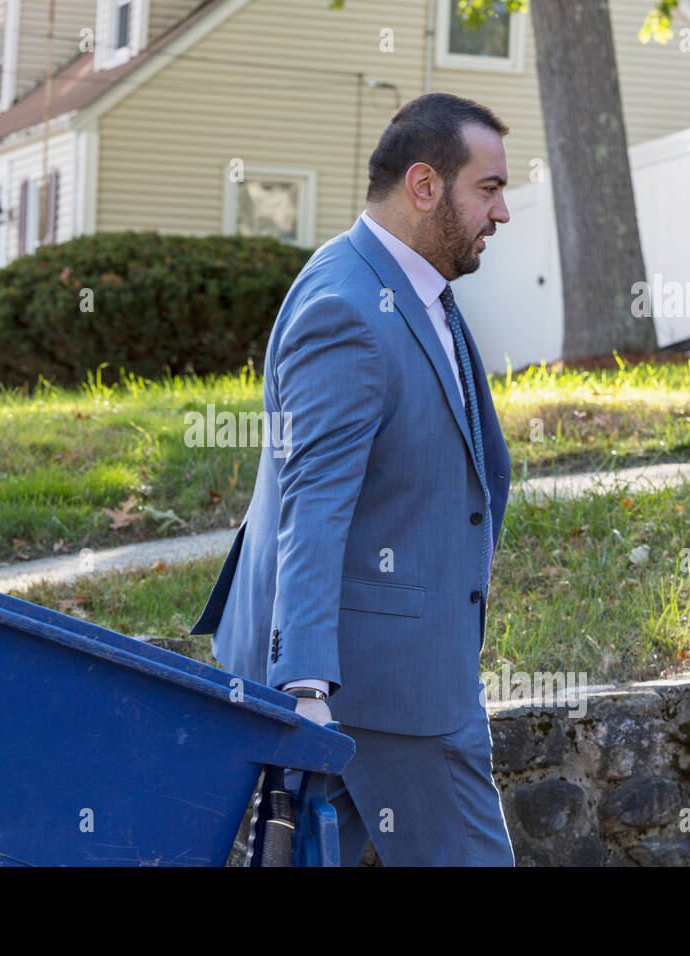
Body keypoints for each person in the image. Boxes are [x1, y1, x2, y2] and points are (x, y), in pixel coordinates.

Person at [190, 92, 516, 866]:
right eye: (490, 189)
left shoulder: (406, 282)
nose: (502, 214)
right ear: (425, 185)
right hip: (374, 687)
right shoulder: (347, 308)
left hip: (391, 665)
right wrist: (303, 686)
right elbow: (313, 506)